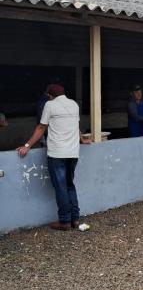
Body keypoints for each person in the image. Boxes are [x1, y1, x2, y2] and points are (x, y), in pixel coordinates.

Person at [16, 84, 90, 230]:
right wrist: (82, 140)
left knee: (61, 187)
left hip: (57, 154)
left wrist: (27, 145)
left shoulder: (50, 105)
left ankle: (64, 222)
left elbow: (41, 127)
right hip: (73, 153)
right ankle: (75, 220)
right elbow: (75, 125)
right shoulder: (74, 104)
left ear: (50, 95)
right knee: (70, 185)